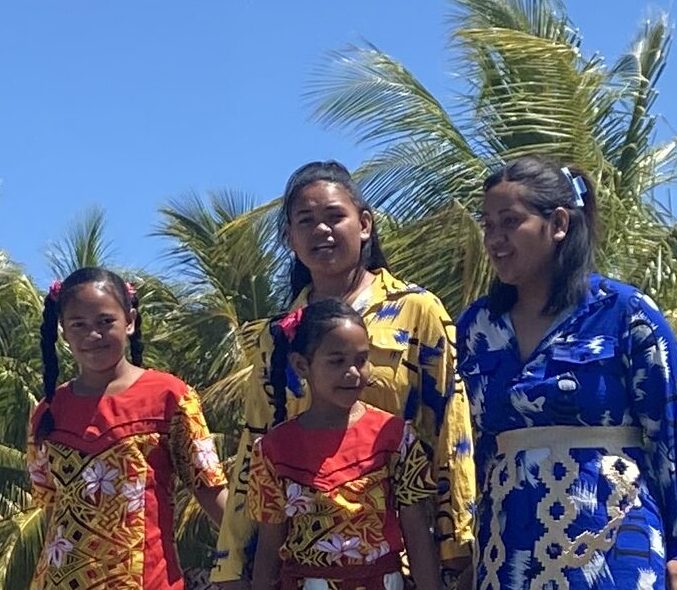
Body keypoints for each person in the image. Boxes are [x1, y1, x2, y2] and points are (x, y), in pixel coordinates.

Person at [212, 161, 475, 588]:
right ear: (289, 238)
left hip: (402, 562)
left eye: (335, 216)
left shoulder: (418, 311)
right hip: (301, 567)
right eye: (306, 221)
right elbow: (255, 445)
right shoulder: (278, 336)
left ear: (365, 224)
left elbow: (451, 427)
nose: (322, 230)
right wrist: (232, 561)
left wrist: (456, 548)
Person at [456, 156, 677, 590]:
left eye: (510, 222)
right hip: (507, 553)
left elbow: (671, 434)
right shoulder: (477, 327)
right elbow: (471, 447)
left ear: (558, 223)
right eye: (487, 225)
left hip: (616, 547)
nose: (495, 239)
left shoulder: (627, 313)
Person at [26, 267, 227, 590]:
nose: (93, 335)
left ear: (130, 321)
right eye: (79, 325)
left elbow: (208, 487)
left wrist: (261, 553)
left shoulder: (169, 396)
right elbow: (52, 507)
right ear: (63, 331)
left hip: (148, 580)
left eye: (106, 322)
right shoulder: (48, 411)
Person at [247, 298, 441, 590]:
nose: (353, 372)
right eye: (337, 361)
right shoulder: (274, 450)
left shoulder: (395, 437)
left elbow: (417, 534)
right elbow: (269, 548)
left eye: (361, 359)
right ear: (301, 365)